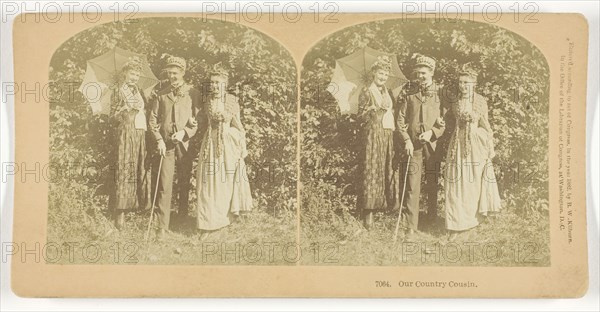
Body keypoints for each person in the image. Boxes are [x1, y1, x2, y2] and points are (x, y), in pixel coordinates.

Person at [443, 64, 501, 241]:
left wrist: (489, 145)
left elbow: (486, 125)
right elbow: (453, 124)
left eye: (467, 83)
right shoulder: (456, 102)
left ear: (474, 84)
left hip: (475, 146)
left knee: (471, 183)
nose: (463, 86)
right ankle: (455, 224)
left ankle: (470, 223)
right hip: (458, 144)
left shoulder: (481, 101)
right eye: (461, 82)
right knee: (455, 182)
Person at [195, 65, 253, 239]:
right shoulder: (207, 102)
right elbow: (202, 123)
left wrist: (241, 145)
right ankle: (206, 223)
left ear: (225, 84)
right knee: (206, 182)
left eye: (218, 82)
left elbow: (239, 126)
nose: (214, 85)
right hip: (210, 144)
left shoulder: (231, 101)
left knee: (223, 183)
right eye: (212, 82)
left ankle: (222, 221)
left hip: (226, 145)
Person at [148, 56, 201, 239]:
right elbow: (153, 119)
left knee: (185, 181)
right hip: (166, 144)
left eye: (175, 73)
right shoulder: (161, 94)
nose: (172, 76)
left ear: (183, 73)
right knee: (164, 183)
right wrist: (159, 140)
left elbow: (198, 119)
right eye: (169, 73)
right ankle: (162, 226)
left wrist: (185, 132)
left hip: (184, 144)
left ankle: (183, 216)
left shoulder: (192, 92)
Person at [396, 54, 447, 239]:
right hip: (414, 146)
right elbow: (400, 120)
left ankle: (432, 218)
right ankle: (411, 226)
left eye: (424, 73)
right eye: (418, 73)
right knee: (412, 184)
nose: (421, 76)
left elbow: (445, 121)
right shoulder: (410, 95)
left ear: (432, 72)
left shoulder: (441, 94)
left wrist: (433, 132)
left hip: (432, 146)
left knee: (432, 182)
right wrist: (407, 140)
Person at [356, 55, 399, 230]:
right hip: (372, 136)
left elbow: (392, 113)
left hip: (387, 134)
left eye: (386, 74)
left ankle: (386, 206)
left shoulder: (387, 92)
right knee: (371, 171)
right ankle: (368, 214)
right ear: (374, 73)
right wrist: (372, 111)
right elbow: (359, 118)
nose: (383, 77)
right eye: (380, 73)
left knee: (385, 168)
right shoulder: (366, 91)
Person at [108, 56, 151, 230]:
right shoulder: (119, 91)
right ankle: (120, 213)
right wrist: (122, 111)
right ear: (124, 73)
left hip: (140, 133)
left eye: (137, 75)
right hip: (125, 133)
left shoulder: (139, 91)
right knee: (125, 169)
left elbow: (144, 110)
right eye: (131, 74)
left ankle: (137, 207)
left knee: (138, 168)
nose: (134, 77)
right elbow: (112, 117)